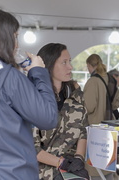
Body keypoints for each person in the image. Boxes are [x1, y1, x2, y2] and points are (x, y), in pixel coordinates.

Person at [0, 8, 58, 179]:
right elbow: (48, 118)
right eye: (15, 36)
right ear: (3, 38)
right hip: (13, 174)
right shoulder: (8, 77)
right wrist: (39, 72)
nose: (17, 44)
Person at [33, 43, 90, 180]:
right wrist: (61, 163)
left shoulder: (76, 95)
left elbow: (83, 130)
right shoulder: (33, 98)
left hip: (69, 172)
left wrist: (78, 159)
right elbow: (30, 147)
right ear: (49, 65)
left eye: (69, 61)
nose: (70, 67)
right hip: (39, 173)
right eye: (64, 62)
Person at [83, 54, 119, 180]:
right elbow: (116, 103)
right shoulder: (111, 79)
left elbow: (89, 106)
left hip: (96, 129)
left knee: (95, 168)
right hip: (110, 129)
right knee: (108, 163)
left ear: (89, 65)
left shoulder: (93, 81)